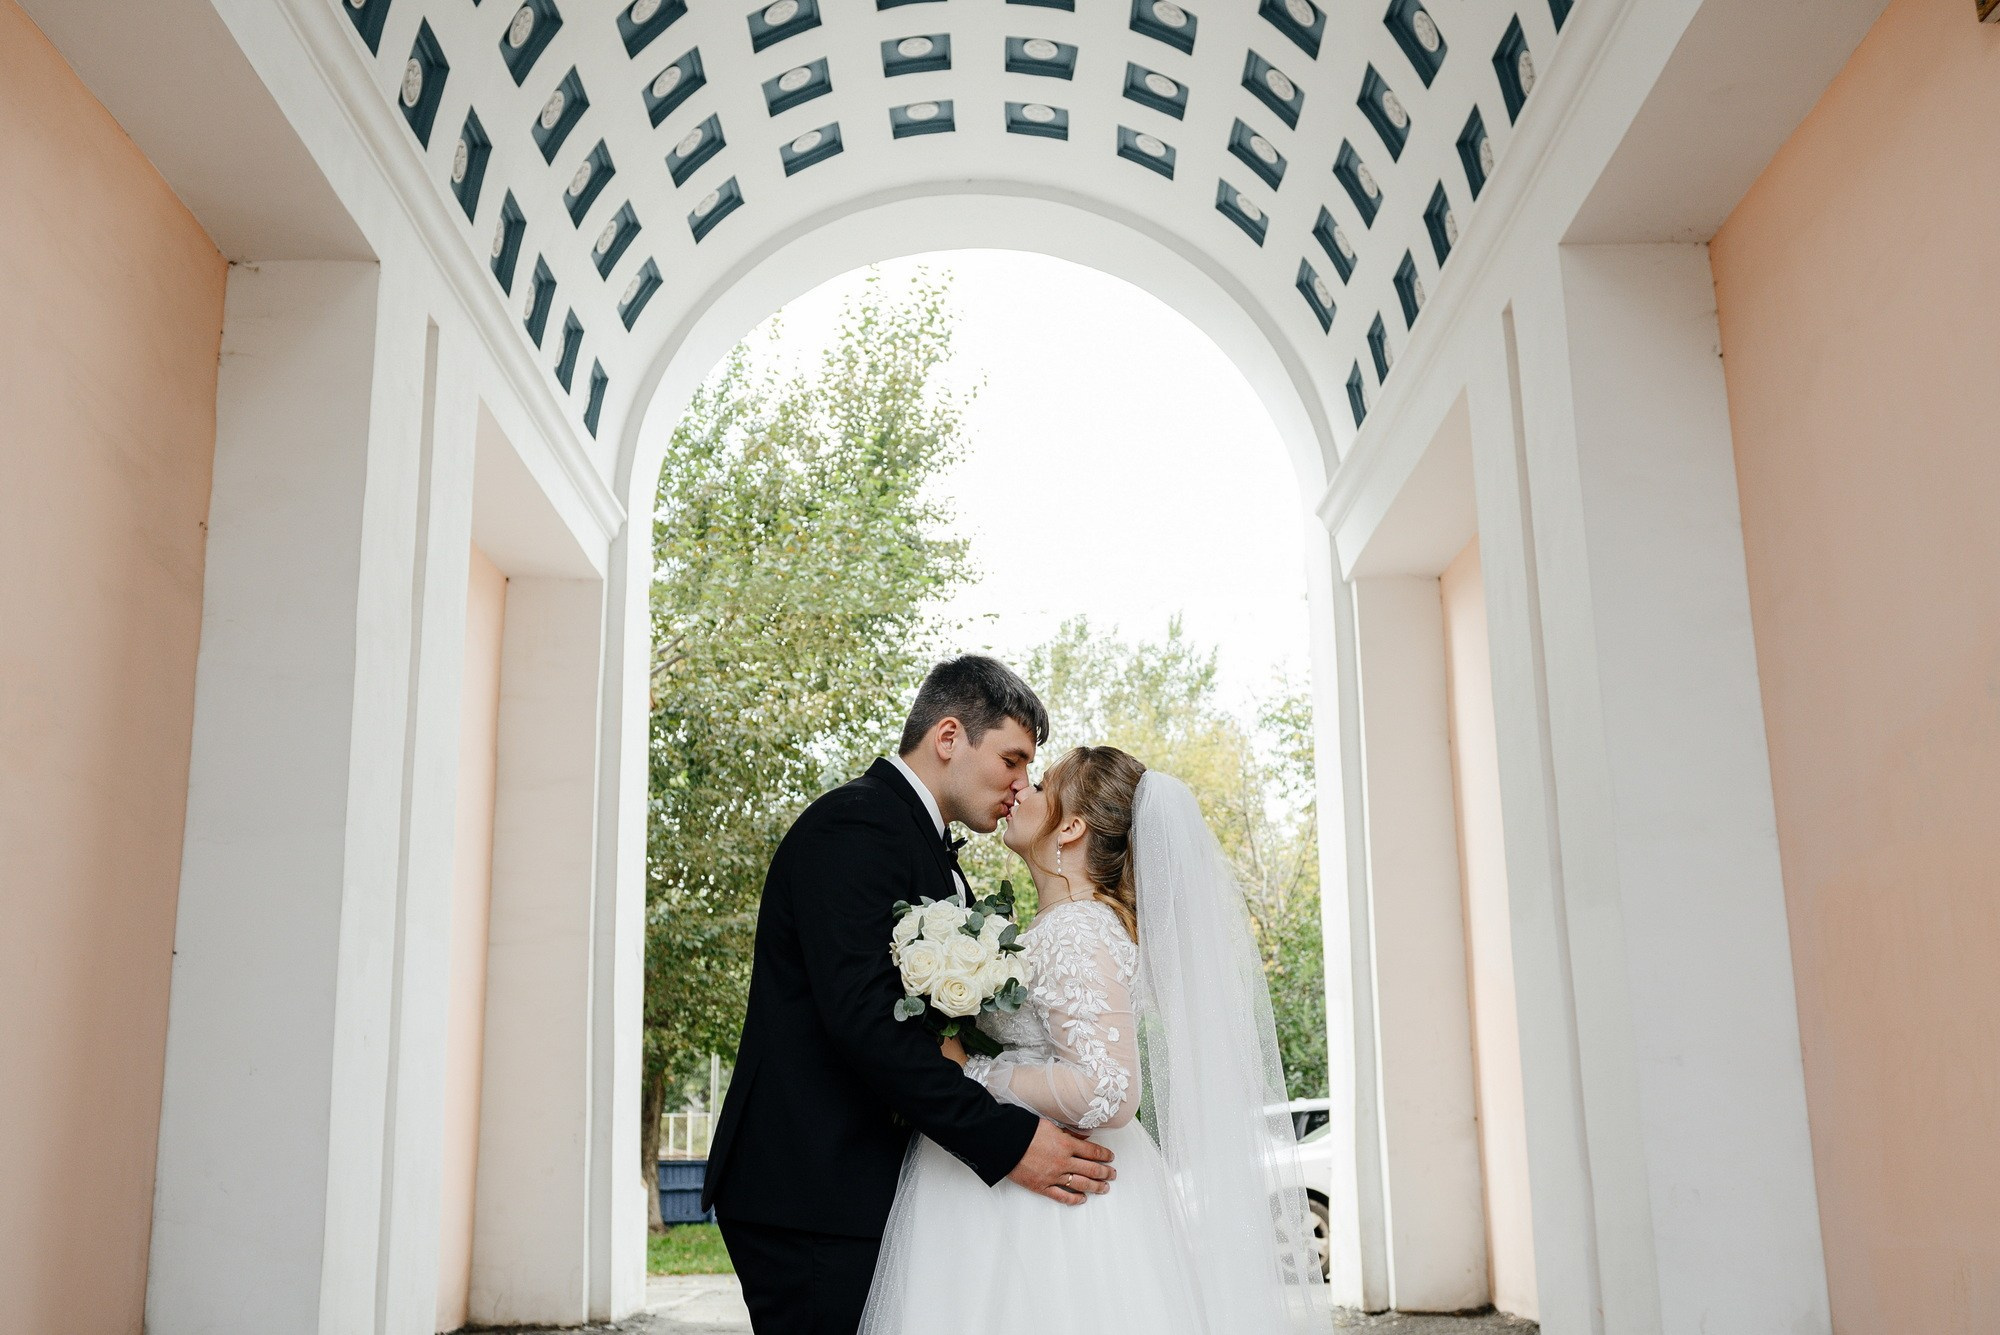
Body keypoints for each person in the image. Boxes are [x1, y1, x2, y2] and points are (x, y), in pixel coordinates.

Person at [702, 657, 1119, 1335]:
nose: (1021, 785)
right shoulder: (856, 828)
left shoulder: (920, 843)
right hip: (816, 1189)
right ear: (949, 736)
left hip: (862, 1187)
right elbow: (867, 1022)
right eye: (1013, 759)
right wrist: (1009, 1141)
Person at [858, 747, 1328, 1335]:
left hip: (1051, 1204)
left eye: (1042, 783)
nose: (1020, 790)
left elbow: (1109, 1088)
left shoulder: (1077, 929)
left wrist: (971, 1072)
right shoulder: (1060, 926)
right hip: (1022, 1175)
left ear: (1073, 826)